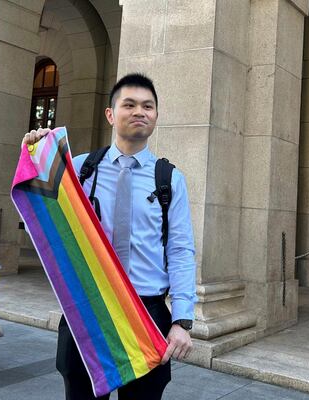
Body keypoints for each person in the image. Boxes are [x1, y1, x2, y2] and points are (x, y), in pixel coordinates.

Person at [21, 73, 197, 400]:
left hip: (147, 312)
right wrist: (36, 152)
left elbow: (181, 250)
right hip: (88, 308)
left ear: (156, 115)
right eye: (128, 104)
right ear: (111, 114)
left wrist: (182, 320)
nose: (139, 112)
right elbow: (41, 208)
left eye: (148, 106)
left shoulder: (169, 180)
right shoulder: (79, 169)